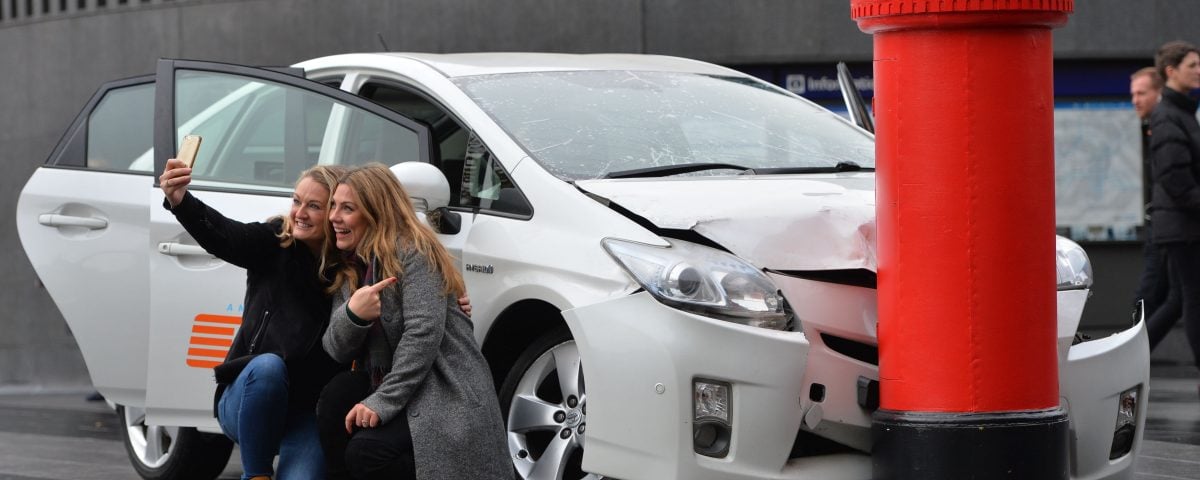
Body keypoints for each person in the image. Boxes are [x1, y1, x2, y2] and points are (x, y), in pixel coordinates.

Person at [317, 164, 512, 479]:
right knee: (337, 397)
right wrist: (354, 314)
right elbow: (335, 349)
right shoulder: (352, 264)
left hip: (442, 388)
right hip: (396, 381)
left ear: (376, 211)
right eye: (333, 207)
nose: (334, 217)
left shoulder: (414, 251)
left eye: (347, 208)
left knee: (367, 453)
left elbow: (423, 335)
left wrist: (381, 402)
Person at [160, 160, 348, 479]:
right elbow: (225, 235)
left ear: (335, 213)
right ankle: (256, 474)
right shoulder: (275, 241)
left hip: (307, 412)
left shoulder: (352, 263)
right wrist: (180, 200)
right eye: (297, 201)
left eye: (313, 206)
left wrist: (451, 300)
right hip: (248, 397)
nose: (299, 213)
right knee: (268, 366)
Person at [1145, 40, 1200, 362]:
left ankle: (1131, 359)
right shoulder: (1168, 116)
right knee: (1194, 299)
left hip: (1183, 224)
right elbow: (1176, 179)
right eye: (1192, 65)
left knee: (1180, 299)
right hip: (1184, 227)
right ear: (1171, 70)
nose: (1198, 70)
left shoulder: (1182, 112)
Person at [1131, 67, 1168, 320]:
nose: (1135, 100)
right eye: (1133, 94)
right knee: (1177, 295)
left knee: (1152, 296)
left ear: (1159, 93)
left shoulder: (1164, 126)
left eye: (1142, 93)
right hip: (1164, 224)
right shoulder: (1151, 127)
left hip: (1167, 226)